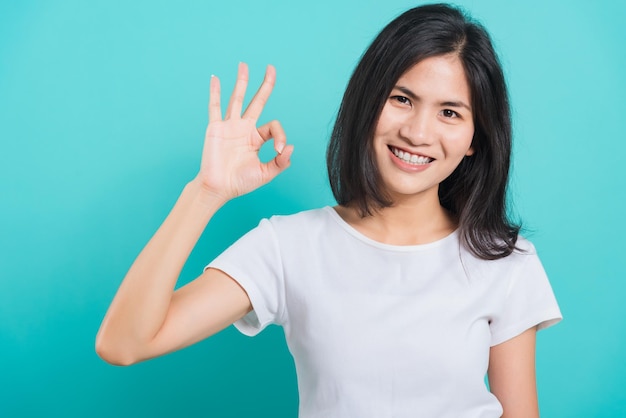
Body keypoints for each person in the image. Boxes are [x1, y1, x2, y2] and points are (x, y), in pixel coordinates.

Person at [96, 3, 561, 417]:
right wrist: (205, 192)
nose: (419, 133)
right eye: (402, 99)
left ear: (476, 140)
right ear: (367, 101)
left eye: (450, 113)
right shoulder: (288, 246)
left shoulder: (504, 259)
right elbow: (124, 343)